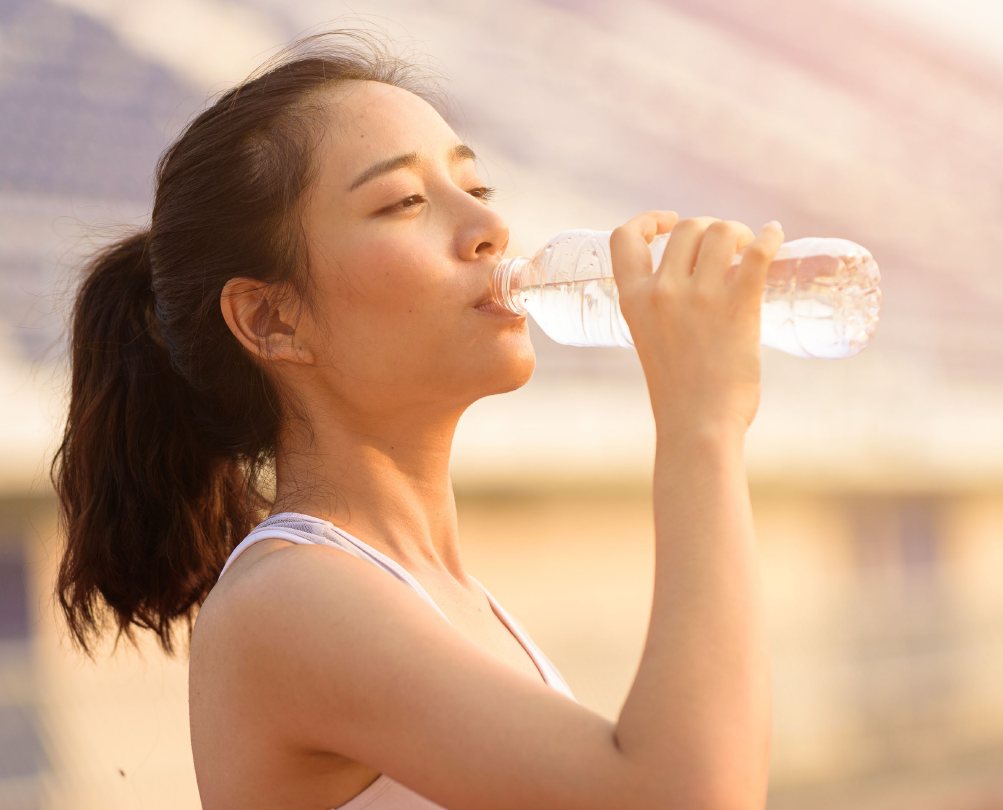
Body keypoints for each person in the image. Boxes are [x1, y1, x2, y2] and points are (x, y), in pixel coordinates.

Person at [53, 29, 783, 810]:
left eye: (478, 189)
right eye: (404, 201)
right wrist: (701, 423)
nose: (488, 229)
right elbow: (683, 793)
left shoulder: (442, 596)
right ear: (271, 320)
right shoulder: (290, 598)